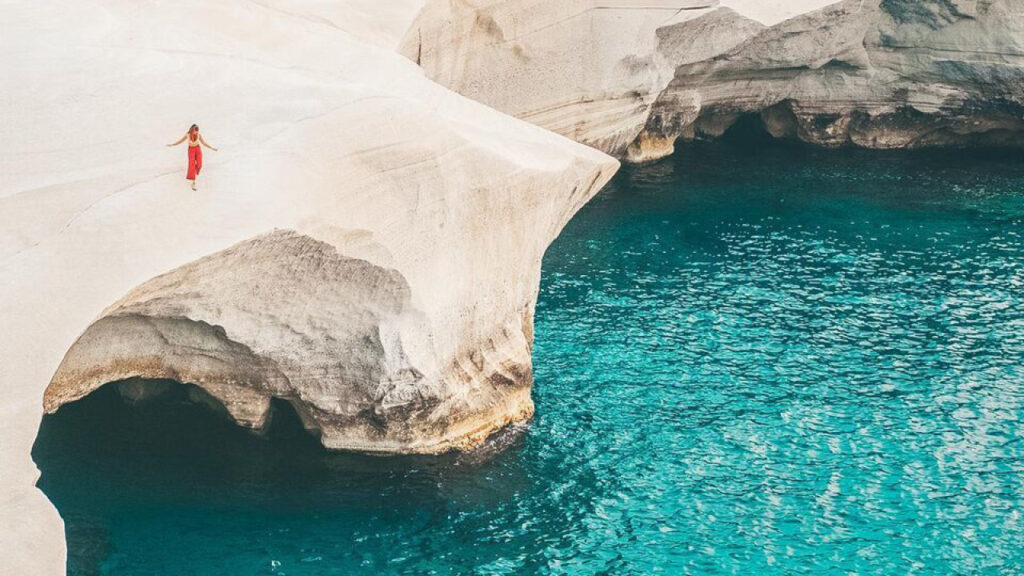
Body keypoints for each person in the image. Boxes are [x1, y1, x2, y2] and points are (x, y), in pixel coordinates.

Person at [168, 124, 218, 190]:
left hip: (197, 149)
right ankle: (193, 182)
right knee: (192, 165)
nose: (196, 132)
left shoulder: (199, 135)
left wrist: (212, 148)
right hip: (191, 150)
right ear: (192, 129)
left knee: (199, 164)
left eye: (197, 130)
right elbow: (180, 141)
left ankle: (195, 172)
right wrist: (172, 144)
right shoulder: (187, 135)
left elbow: (204, 143)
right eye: (195, 130)